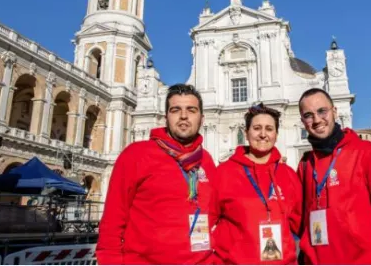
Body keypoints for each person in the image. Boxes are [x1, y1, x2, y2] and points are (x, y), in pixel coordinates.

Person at [97, 84, 217, 264]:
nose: (184, 116)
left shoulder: (206, 160)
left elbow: (215, 213)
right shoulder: (136, 154)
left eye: (191, 110)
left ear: (202, 118)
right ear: (166, 117)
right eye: (176, 110)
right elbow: (112, 221)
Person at [295, 88, 371, 264]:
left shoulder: (366, 152)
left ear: (334, 111)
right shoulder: (305, 164)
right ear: (302, 121)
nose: (316, 120)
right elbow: (296, 218)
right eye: (308, 115)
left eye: (322, 111)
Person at [211, 103, 302, 264]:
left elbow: (300, 224)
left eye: (269, 128)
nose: (262, 134)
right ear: (246, 133)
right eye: (257, 128)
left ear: (276, 134)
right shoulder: (223, 173)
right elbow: (206, 221)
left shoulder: (288, 174)